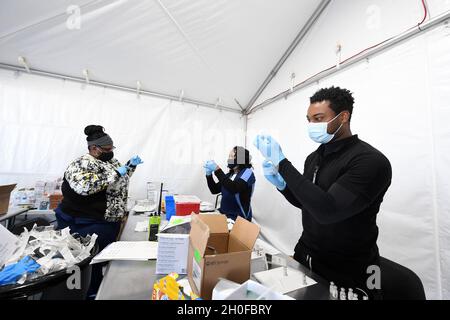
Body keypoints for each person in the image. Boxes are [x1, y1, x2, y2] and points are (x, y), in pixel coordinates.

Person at [254, 87, 392, 300]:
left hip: (350, 270)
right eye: (309, 120)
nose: (312, 126)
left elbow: (328, 210)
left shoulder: (369, 161)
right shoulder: (314, 158)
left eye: (318, 118)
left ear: (343, 116)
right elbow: (307, 203)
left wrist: (282, 164)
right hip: (307, 254)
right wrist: (284, 187)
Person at [55, 125, 143, 299]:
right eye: (107, 149)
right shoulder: (80, 163)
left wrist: (130, 166)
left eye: (112, 148)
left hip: (106, 221)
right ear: (94, 148)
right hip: (84, 224)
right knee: (85, 264)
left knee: (99, 261)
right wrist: (117, 172)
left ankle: (96, 289)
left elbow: (118, 179)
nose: (111, 152)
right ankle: (83, 293)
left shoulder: (110, 162)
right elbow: (85, 186)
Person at [204, 146, 255, 221]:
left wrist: (217, 170)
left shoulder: (247, 173)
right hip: (224, 215)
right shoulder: (230, 175)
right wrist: (209, 175)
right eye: (229, 156)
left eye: (231, 156)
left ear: (240, 159)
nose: (229, 159)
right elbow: (214, 190)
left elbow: (234, 188)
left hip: (239, 218)